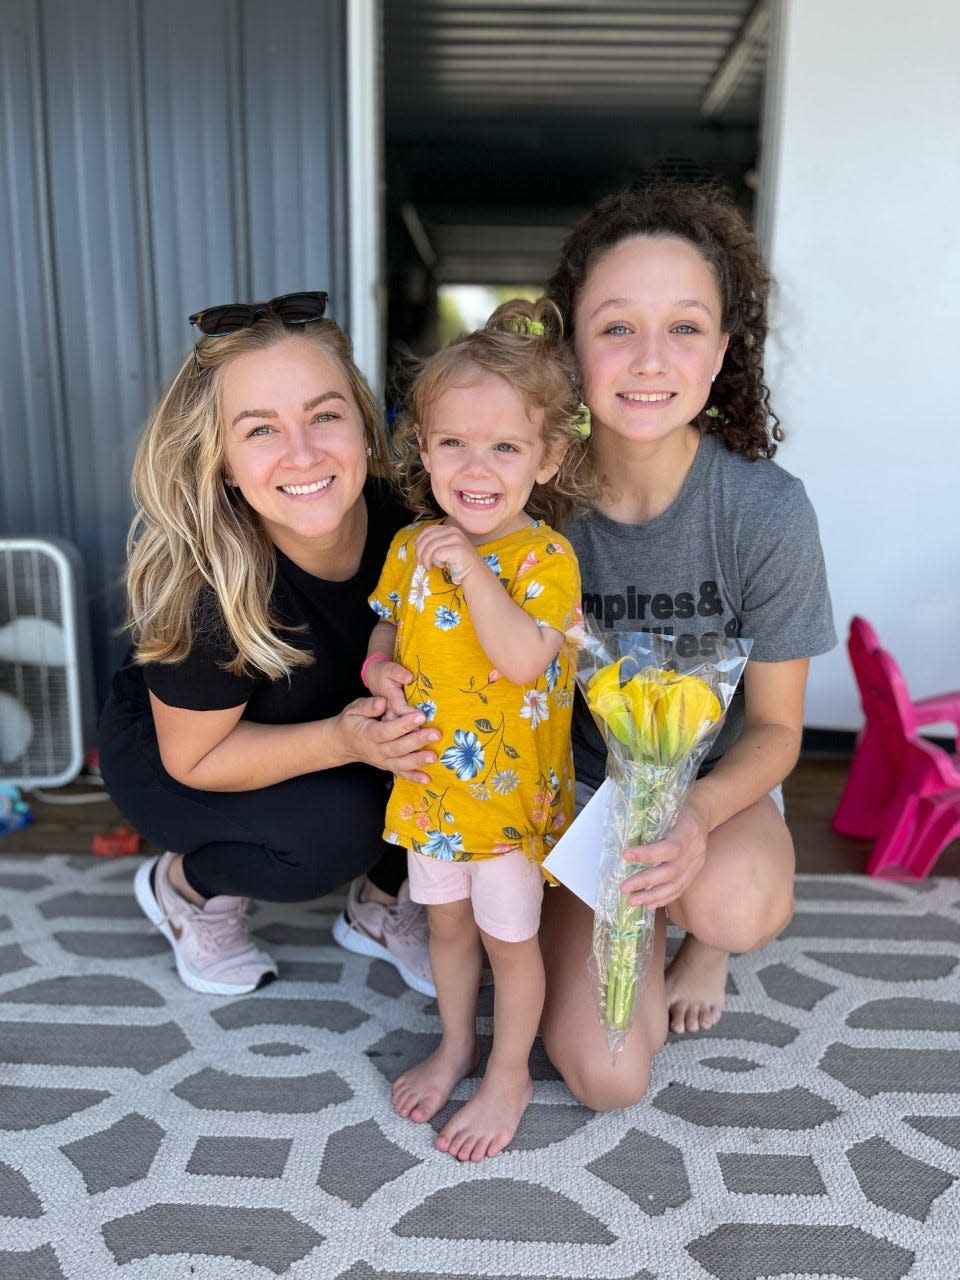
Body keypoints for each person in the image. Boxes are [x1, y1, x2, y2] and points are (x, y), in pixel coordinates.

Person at [539, 182, 836, 1110]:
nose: (650, 359)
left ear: (724, 350)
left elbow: (780, 731)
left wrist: (697, 815)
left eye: (687, 327)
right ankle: (638, 912)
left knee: (736, 902)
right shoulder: (532, 495)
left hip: (714, 791)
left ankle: (699, 938)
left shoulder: (764, 510)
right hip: (578, 797)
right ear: (571, 344)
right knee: (607, 1078)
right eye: (617, 326)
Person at [99, 293, 441, 998]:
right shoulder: (208, 586)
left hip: (333, 726)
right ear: (222, 460)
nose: (304, 452)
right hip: (185, 759)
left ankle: (381, 907)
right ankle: (188, 889)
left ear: (365, 426)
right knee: (339, 828)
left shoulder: (407, 524)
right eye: (260, 430)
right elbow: (197, 756)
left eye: (325, 414)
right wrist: (347, 743)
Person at [364, 298, 593, 1160]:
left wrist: (473, 570)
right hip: (431, 785)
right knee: (446, 929)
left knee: (510, 939)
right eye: (453, 441)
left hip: (506, 801)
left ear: (548, 457)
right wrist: (377, 669)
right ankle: (456, 1041)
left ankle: (509, 1071)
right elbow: (388, 625)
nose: (476, 465)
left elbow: (525, 660)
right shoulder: (414, 543)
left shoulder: (545, 558)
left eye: (505, 446)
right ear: (423, 450)